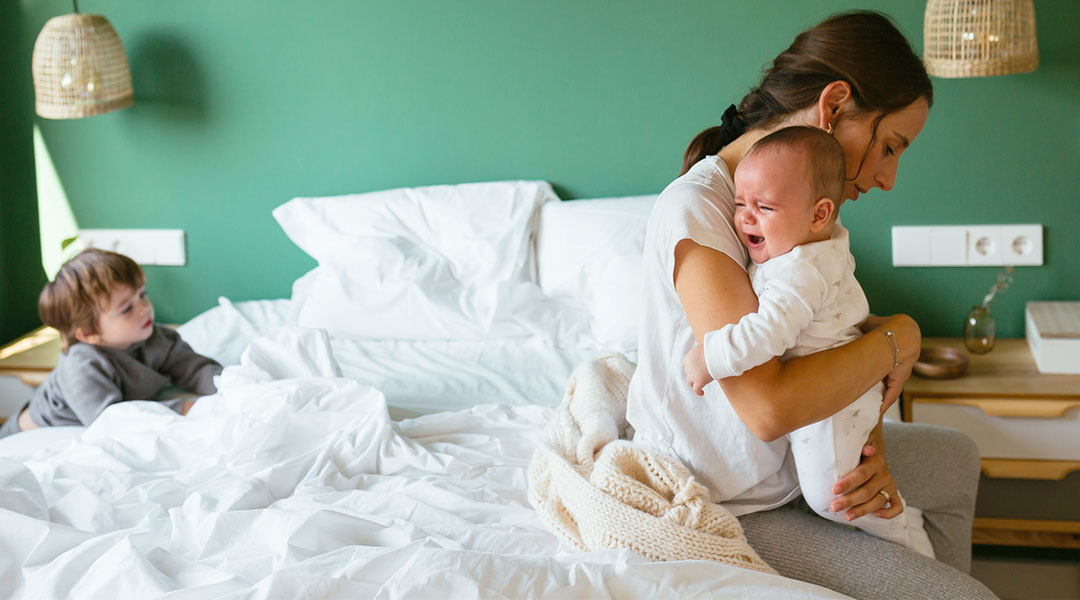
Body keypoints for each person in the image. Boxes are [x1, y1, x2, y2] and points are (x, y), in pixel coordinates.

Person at [624, 10, 995, 599]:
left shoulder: (803, 204)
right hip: (735, 498)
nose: (889, 177)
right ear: (835, 104)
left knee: (958, 459)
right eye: (890, 146)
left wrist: (871, 428)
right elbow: (768, 407)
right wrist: (900, 338)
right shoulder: (701, 211)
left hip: (793, 462)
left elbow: (831, 326)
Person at [680, 125, 933, 557]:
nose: (744, 218)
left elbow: (766, 334)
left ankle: (904, 532)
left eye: (764, 207)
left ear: (818, 214)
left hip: (832, 402)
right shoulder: (819, 244)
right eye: (740, 204)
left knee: (830, 496)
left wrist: (711, 356)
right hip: (843, 384)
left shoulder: (798, 271)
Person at [0, 249, 223, 439]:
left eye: (142, 295)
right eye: (127, 308)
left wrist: (231, 384)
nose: (144, 307)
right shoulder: (82, 366)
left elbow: (195, 369)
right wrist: (182, 409)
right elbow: (112, 420)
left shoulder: (155, 337)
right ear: (89, 333)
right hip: (32, 431)